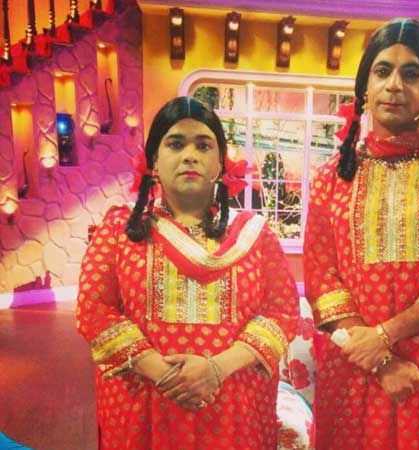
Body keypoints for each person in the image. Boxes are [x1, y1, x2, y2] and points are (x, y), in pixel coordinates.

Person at [303, 18, 419, 450]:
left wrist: (385, 337)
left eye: (411, 74)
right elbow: (320, 277)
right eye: (382, 71)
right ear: (365, 88)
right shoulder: (331, 176)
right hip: (352, 360)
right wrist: (379, 358)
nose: (394, 85)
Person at [76, 97, 299, 450]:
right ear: (153, 161)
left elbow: (282, 312)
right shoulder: (120, 230)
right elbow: (94, 310)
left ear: (221, 163)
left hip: (233, 406)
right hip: (144, 403)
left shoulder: (254, 234)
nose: (190, 155)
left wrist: (216, 369)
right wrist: (165, 374)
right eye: (176, 144)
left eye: (203, 145)